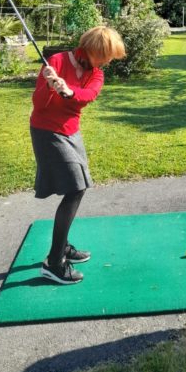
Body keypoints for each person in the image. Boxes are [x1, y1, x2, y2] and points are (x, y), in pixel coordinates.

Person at [30, 26, 126, 285]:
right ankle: (54, 262)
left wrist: (68, 89)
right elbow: (39, 105)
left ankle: (63, 247)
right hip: (47, 131)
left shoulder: (96, 74)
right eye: (105, 56)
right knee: (75, 188)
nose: (107, 62)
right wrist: (50, 84)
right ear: (94, 50)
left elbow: (87, 97)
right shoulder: (57, 62)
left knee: (77, 187)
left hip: (71, 132)